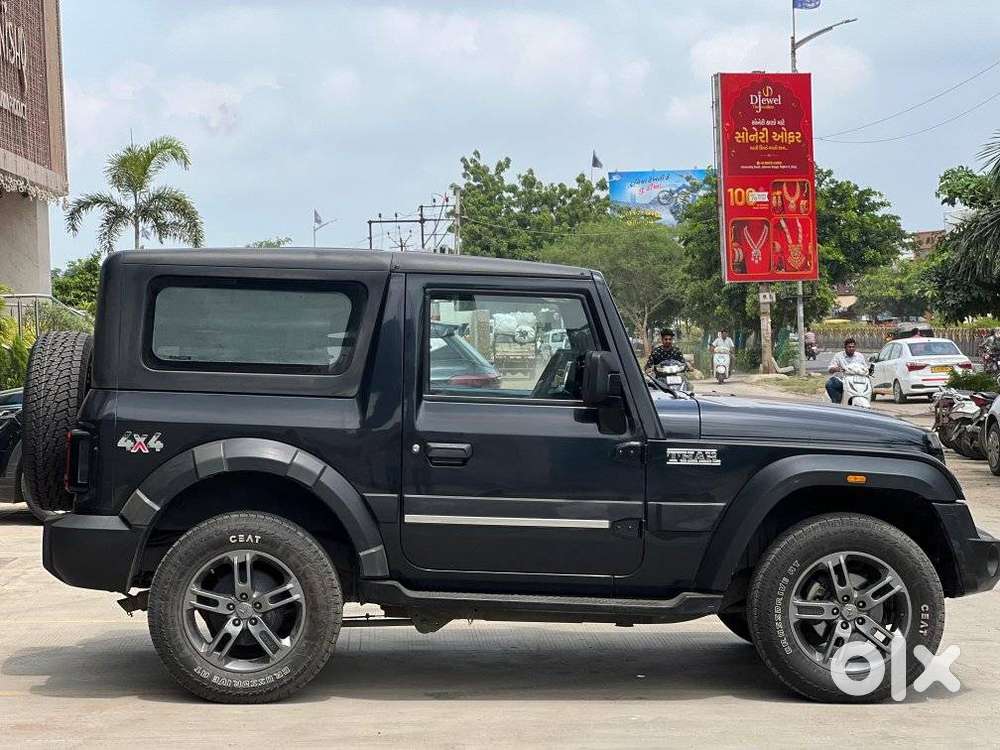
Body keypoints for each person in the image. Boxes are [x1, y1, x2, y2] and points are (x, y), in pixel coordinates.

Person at [826, 337, 868, 403]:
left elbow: (865, 368)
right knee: (830, 384)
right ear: (845, 348)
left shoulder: (860, 356)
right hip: (842, 380)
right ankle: (836, 402)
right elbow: (830, 369)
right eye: (849, 347)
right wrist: (837, 369)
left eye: (853, 347)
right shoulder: (838, 356)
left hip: (857, 381)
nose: (851, 349)